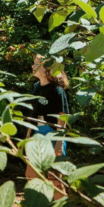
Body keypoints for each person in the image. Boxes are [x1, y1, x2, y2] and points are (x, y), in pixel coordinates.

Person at [25, 54, 70, 183]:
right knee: (30, 175)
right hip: (36, 134)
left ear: (47, 69)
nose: (32, 66)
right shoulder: (36, 87)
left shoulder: (57, 91)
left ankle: (59, 197)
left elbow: (63, 118)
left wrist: (59, 144)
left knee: (54, 179)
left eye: (36, 64)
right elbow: (33, 115)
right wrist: (27, 137)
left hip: (52, 135)